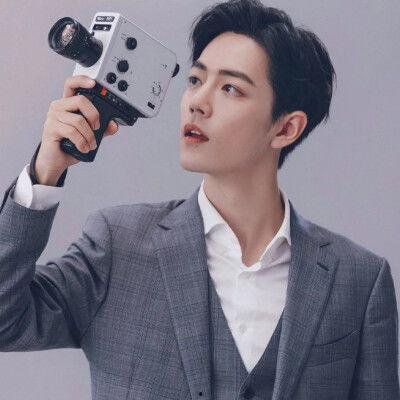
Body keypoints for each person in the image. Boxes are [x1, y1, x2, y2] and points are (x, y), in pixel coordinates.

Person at [0, 0, 398, 399]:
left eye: (230, 88)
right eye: (195, 80)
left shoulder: (359, 279)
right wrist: (46, 170)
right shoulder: (118, 245)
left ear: (286, 128)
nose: (197, 102)